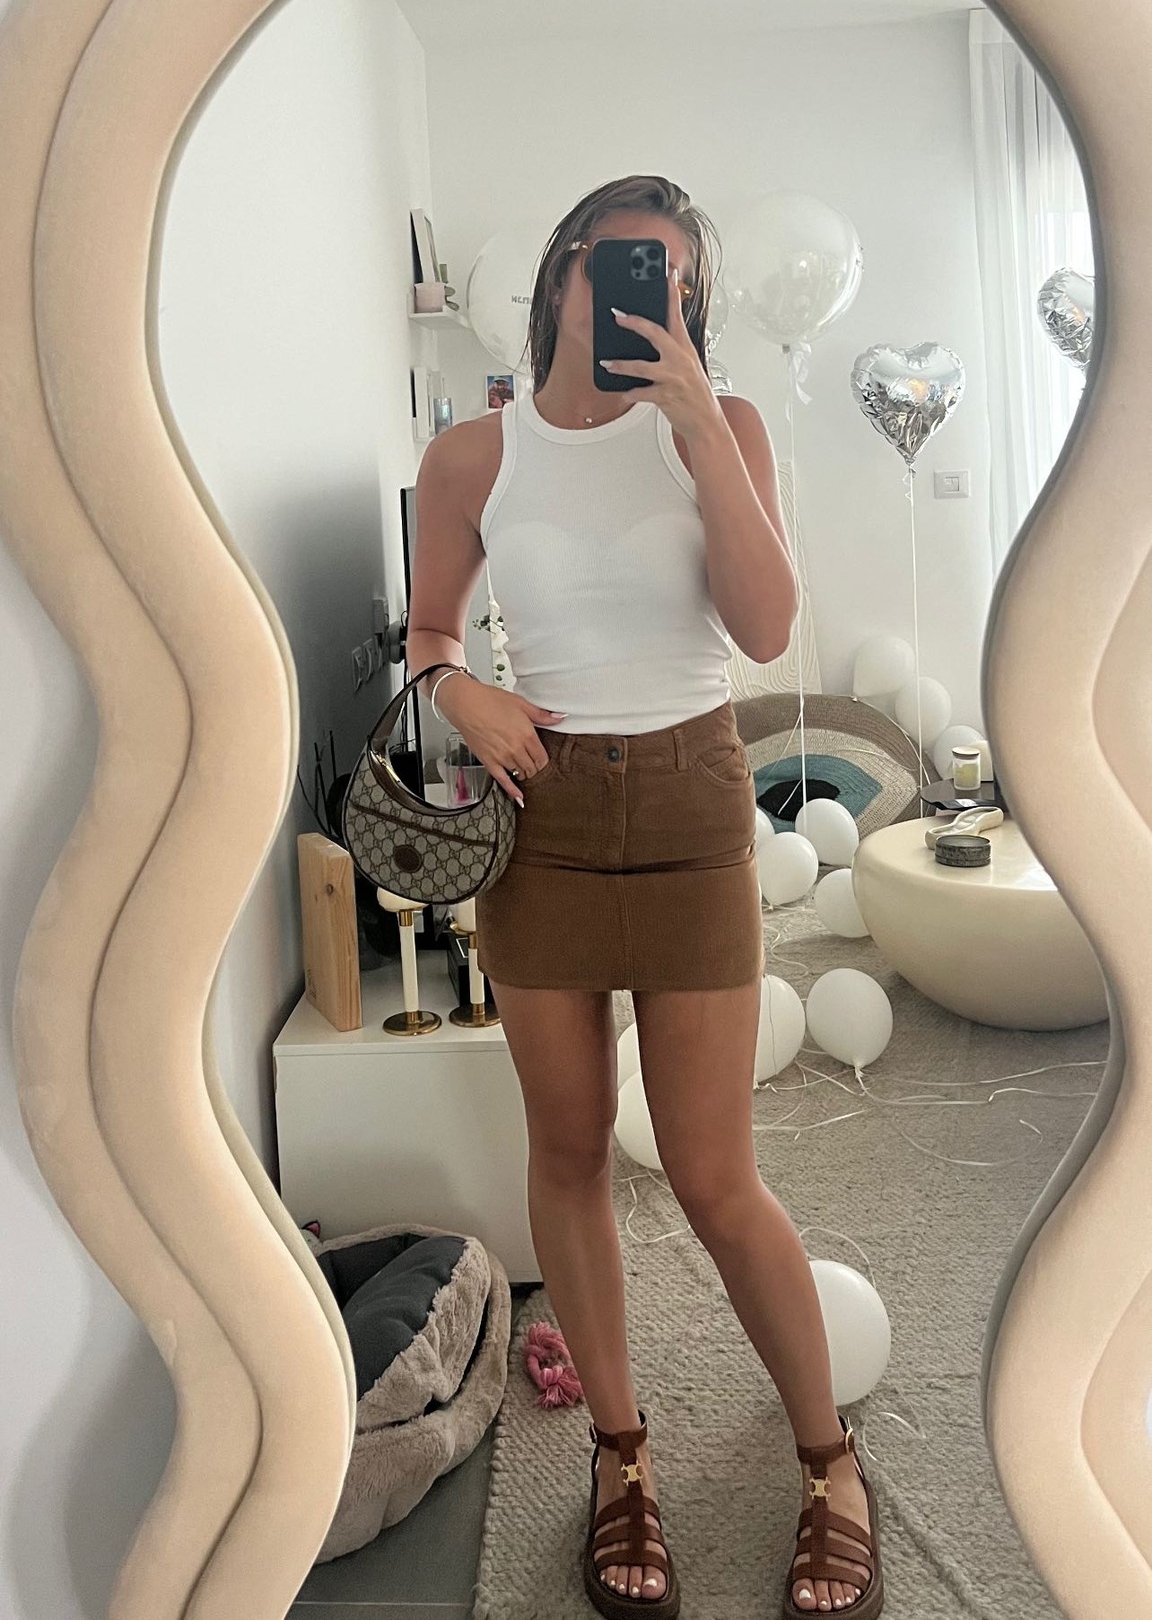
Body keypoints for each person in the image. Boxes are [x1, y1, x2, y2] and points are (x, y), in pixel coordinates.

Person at [405, 176, 883, 1619]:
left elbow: (766, 626)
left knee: (714, 1174)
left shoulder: (720, 428)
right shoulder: (473, 456)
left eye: (674, 279)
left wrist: (701, 435)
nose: (644, 293)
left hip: (689, 801)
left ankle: (830, 1464)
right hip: (542, 812)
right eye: (621, 266)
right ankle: (621, 1456)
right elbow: (429, 635)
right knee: (566, 1152)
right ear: (563, 277)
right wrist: (462, 692)